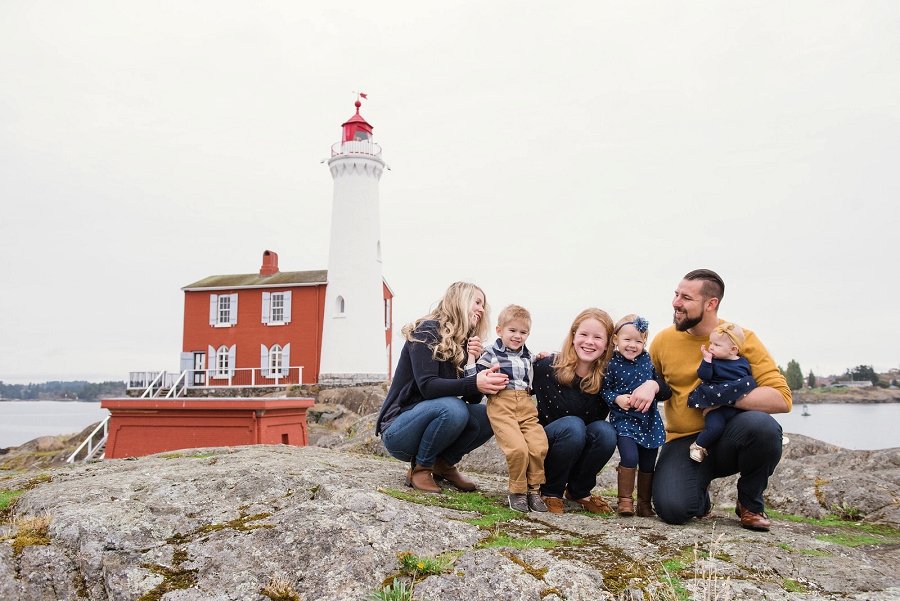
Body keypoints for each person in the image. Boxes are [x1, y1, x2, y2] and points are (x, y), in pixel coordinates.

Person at [647, 269, 791, 531]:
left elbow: (781, 399)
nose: (676, 303)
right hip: (684, 442)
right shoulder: (663, 341)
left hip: (729, 438)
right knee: (673, 510)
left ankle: (750, 503)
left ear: (710, 304)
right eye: (676, 294)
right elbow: (652, 381)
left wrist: (722, 399)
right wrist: (648, 385)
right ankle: (700, 495)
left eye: (686, 298)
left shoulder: (740, 339)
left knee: (763, 427)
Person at [374, 282, 508, 493]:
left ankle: (443, 465)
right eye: (478, 302)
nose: (482, 309)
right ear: (460, 301)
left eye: (484, 305)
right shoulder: (426, 331)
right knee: (453, 407)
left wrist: (474, 361)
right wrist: (474, 382)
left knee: (489, 414)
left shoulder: (463, 342)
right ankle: (421, 468)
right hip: (399, 429)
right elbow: (428, 387)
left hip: (433, 420)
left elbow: (472, 399)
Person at [533, 308, 663, 515]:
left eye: (597, 337)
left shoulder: (608, 377)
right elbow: (515, 375)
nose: (589, 342)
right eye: (584, 334)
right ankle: (550, 492)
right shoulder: (546, 366)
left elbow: (665, 390)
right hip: (546, 449)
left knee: (605, 430)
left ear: (609, 343)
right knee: (573, 426)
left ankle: (579, 491)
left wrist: (653, 385)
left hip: (579, 449)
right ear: (573, 335)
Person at [474, 304, 549, 513]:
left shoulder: (528, 355)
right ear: (500, 331)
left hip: (525, 404)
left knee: (538, 445)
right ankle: (517, 491)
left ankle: (533, 490)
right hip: (501, 403)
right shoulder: (491, 353)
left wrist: (542, 358)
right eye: (512, 331)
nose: (517, 336)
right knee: (517, 448)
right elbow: (476, 375)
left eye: (523, 332)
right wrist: (473, 359)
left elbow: (534, 369)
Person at [601, 315, 671, 517]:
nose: (633, 345)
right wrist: (616, 399)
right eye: (627, 340)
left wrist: (654, 387)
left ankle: (644, 504)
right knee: (630, 457)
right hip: (624, 420)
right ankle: (625, 501)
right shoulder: (611, 364)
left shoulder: (647, 360)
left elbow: (662, 387)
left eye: (638, 341)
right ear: (615, 340)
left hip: (648, 420)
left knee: (648, 463)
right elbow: (604, 390)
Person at [686, 322, 757, 463]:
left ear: (733, 349)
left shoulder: (743, 362)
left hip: (736, 406)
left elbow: (746, 381)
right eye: (711, 343)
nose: (711, 347)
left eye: (717, 345)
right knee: (714, 427)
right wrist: (706, 360)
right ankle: (698, 446)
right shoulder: (713, 362)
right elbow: (703, 375)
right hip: (716, 405)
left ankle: (767, 439)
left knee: (753, 421)